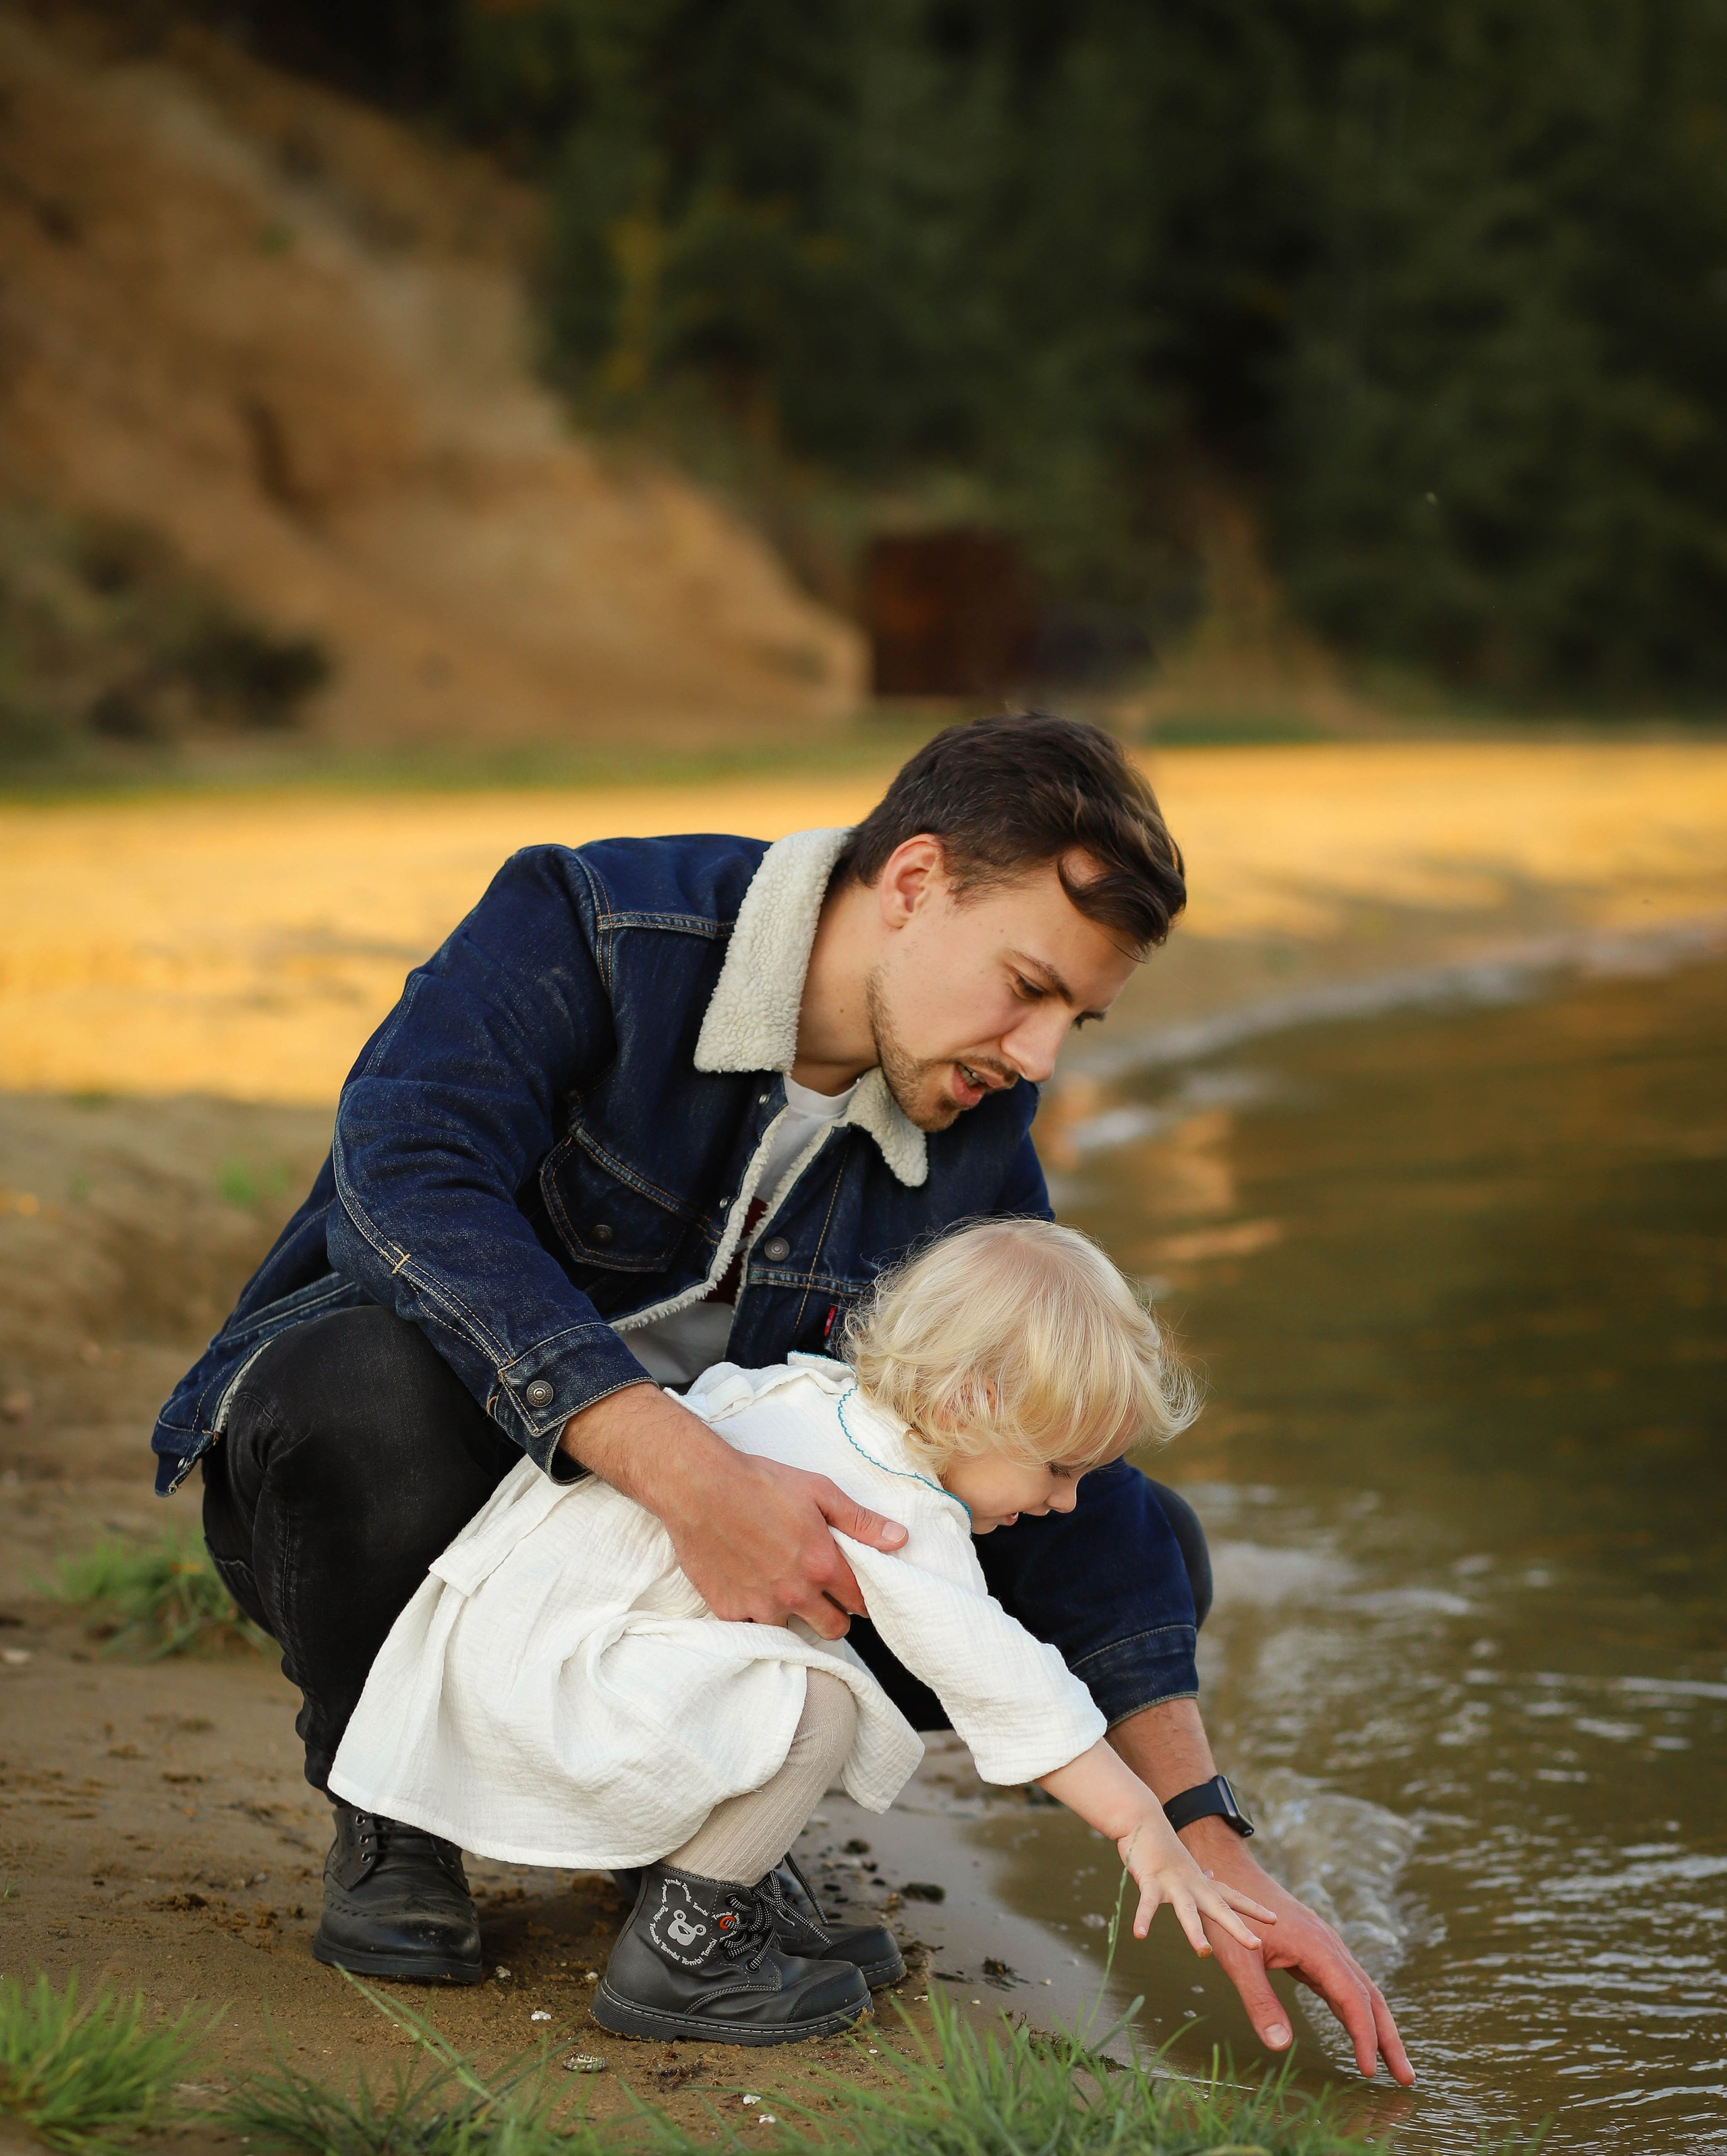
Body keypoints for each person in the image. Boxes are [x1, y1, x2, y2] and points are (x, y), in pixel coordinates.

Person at [152, 711, 1412, 2083]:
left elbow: (1054, 1467)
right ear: (914, 881)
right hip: (415, 1522)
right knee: (361, 1378)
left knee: (1129, 1534)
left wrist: (1206, 1845)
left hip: (682, 1605)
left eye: (1073, 1019)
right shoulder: (587, 924)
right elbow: (402, 1185)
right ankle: (383, 1804)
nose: (1039, 1056)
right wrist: (692, 1477)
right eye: (1023, 987)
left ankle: (694, 1854)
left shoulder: (970, 1116)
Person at [331, 1221, 1276, 2044]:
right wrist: (1144, 1830)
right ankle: (686, 1950)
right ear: (968, 1406)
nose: (1068, 1504)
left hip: (486, 1672)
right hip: (561, 1702)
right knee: (820, 1700)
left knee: (787, 1660)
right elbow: (1005, 1679)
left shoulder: (804, 1398)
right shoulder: (898, 1499)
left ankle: (717, 1902)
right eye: (1060, 1469)